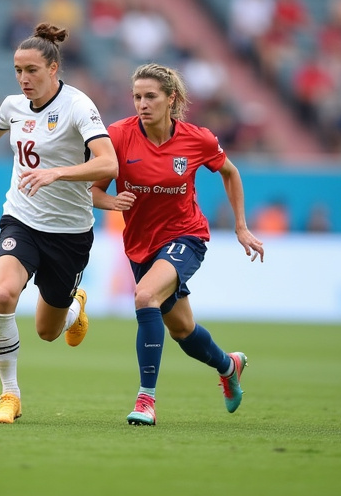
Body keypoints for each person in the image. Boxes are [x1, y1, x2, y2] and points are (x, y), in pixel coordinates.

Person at [0, 23, 117, 424]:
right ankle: (10, 395)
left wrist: (57, 173)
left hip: (69, 233)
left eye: (31, 70)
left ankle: (73, 309)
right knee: (4, 295)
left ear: (53, 68)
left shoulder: (79, 106)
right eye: (17, 70)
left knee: (47, 331)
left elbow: (108, 162)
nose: (23, 79)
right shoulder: (14, 106)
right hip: (21, 220)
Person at [91, 63, 263, 425]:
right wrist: (111, 202)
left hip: (187, 236)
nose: (142, 103)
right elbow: (92, 191)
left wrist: (242, 227)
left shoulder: (197, 139)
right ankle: (228, 365)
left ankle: (145, 400)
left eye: (151, 96)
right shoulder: (117, 136)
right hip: (141, 245)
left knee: (143, 297)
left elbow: (230, 173)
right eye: (137, 96)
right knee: (182, 329)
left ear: (172, 99)